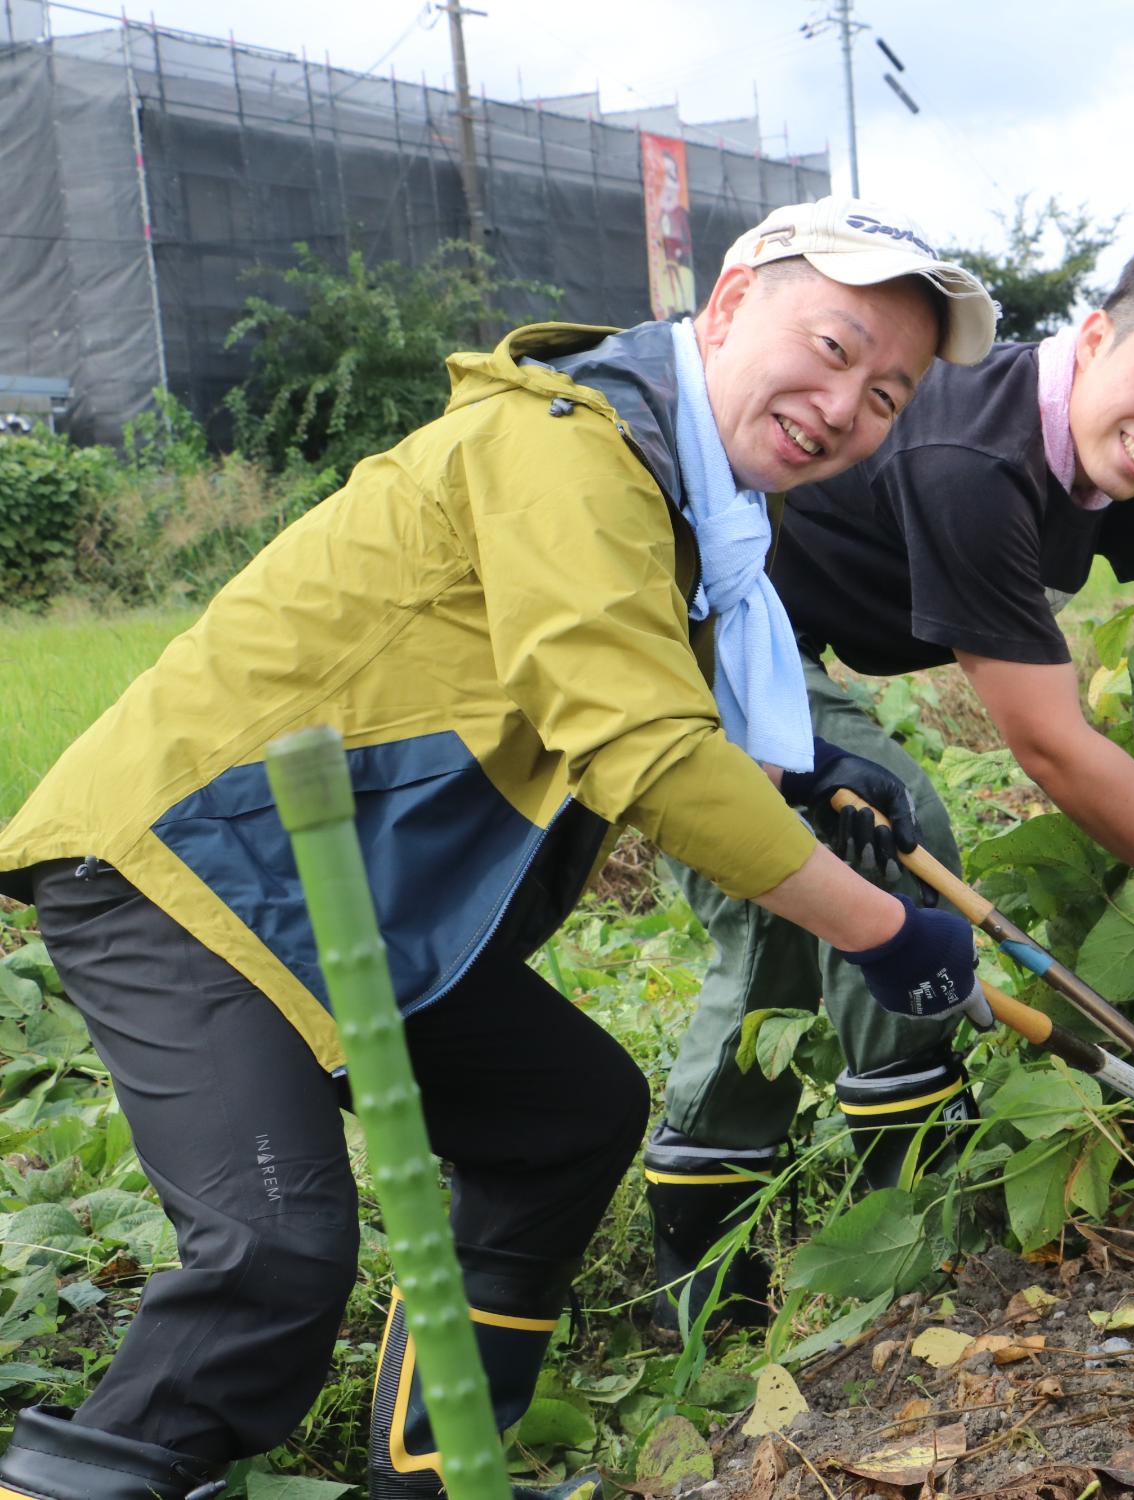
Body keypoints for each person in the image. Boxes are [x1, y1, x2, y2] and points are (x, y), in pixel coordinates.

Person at [0, 197, 998, 1500]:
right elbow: (641, 747)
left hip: (346, 895)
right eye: (832, 348)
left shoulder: (675, 494)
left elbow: (634, 689)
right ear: (731, 301)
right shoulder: (566, 447)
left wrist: (806, 771)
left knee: (563, 1115)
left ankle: (437, 1471)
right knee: (273, 1253)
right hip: (190, 869)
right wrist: (884, 935)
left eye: (884, 396)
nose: (843, 408)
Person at [642, 230, 1134, 1333]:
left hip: (778, 622)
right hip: (697, 620)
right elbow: (1052, 747)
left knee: (871, 854)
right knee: (836, 873)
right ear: (1095, 336)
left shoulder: (1122, 452)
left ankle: (906, 1200)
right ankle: (709, 1269)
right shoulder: (976, 461)